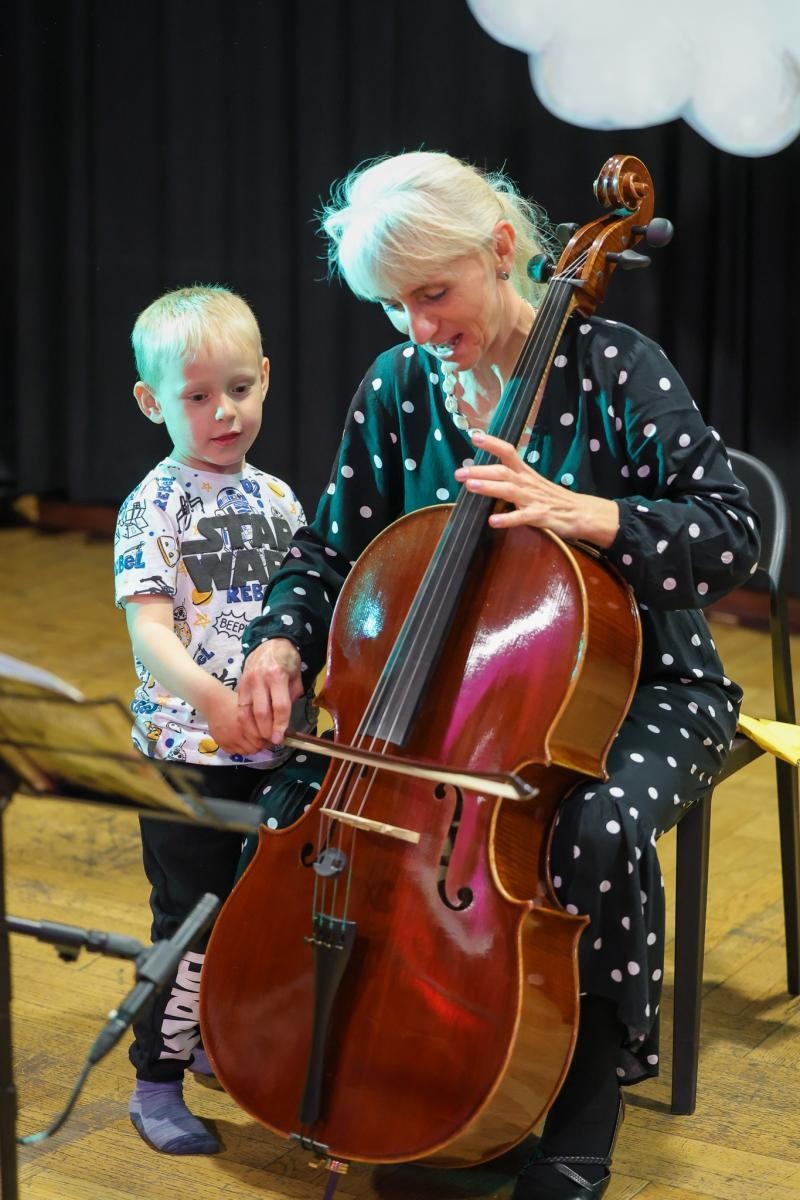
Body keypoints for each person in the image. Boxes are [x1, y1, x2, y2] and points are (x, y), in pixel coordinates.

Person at [235, 152, 761, 1199]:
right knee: (308, 798)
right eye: (394, 306)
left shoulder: (612, 366)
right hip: (444, 705)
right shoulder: (396, 387)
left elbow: (729, 533)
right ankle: (398, 1052)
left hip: (640, 685)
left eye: (433, 292)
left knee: (590, 826)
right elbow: (327, 551)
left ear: (502, 250)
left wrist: (591, 516)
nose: (418, 328)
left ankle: (579, 1099)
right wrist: (278, 641)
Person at [114, 285, 319, 1157]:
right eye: (197, 396)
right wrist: (213, 701)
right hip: (187, 752)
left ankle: (213, 1042)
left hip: (276, 752)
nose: (223, 411)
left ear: (265, 378)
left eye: (238, 387)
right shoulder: (152, 504)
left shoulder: (279, 500)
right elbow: (152, 634)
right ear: (153, 402)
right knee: (191, 922)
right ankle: (155, 1079)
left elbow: (309, 615)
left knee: (262, 915)